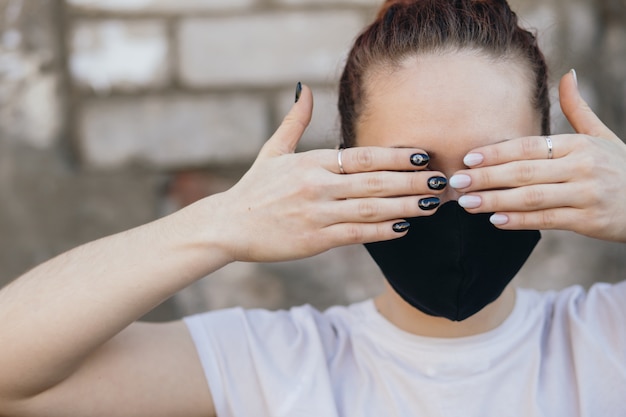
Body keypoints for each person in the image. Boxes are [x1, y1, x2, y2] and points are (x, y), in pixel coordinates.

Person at [1, 0, 625, 416]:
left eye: (489, 164)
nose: (453, 194)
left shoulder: (606, 340)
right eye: (415, 166)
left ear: (554, 157)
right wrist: (220, 224)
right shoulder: (280, 362)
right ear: (346, 163)